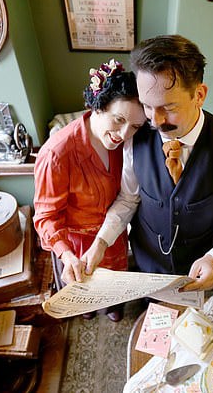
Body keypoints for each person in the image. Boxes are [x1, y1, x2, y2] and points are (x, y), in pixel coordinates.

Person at [84, 35, 213, 292]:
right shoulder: (136, 135)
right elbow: (129, 199)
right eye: (147, 106)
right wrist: (101, 241)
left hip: (201, 266)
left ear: (199, 95)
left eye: (169, 107)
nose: (155, 121)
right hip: (147, 263)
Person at [33, 59, 147, 322]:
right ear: (98, 105)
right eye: (118, 120)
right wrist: (65, 253)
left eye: (135, 126)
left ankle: (113, 305)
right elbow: (45, 217)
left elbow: (128, 197)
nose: (123, 134)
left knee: (114, 287)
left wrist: (105, 239)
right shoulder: (57, 154)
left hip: (113, 232)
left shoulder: (127, 145)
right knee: (85, 291)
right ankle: (89, 308)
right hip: (76, 243)